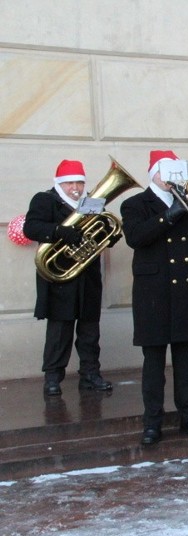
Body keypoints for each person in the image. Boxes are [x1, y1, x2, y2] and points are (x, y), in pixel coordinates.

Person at [120, 150, 188, 445]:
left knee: (187, 359)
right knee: (154, 362)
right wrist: (169, 215)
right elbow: (136, 238)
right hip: (154, 292)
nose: (173, 179)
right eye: (167, 173)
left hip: (186, 289)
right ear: (154, 175)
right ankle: (153, 421)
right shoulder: (135, 204)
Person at [23, 159, 114, 396]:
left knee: (90, 331)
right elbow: (31, 228)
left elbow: (103, 228)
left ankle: (90, 374)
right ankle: (52, 378)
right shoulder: (45, 200)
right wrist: (58, 231)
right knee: (59, 331)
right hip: (60, 276)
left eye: (79, 183)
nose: (75, 187)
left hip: (88, 276)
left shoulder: (90, 203)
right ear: (60, 183)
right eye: (70, 183)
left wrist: (110, 235)